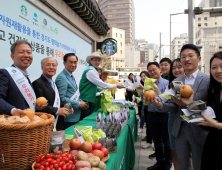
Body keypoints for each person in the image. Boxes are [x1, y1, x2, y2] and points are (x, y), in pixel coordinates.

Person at [147, 44, 209, 170]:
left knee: (200, 164)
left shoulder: (208, 80)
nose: (187, 59)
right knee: (182, 165)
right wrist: (158, 103)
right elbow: (173, 107)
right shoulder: (176, 82)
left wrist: (189, 104)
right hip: (180, 129)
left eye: (190, 56)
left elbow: (210, 107)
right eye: (183, 57)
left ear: (199, 58)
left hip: (200, 129)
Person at [182, 52, 222, 170]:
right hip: (213, 145)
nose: (218, 70)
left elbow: (214, 123)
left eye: (221, 66)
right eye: (214, 67)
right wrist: (190, 104)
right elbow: (208, 115)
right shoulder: (214, 92)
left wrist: (217, 125)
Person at [0, 40, 46, 116]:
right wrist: (12, 110)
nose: (26, 55)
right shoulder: (5, 73)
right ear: (12, 56)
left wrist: (36, 107)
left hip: (27, 124)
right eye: (21, 52)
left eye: (29, 52)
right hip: (12, 124)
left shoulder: (26, 77)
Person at [79, 52, 124, 119]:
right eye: (95, 60)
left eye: (99, 60)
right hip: (86, 99)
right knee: (85, 119)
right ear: (90, 60)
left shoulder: (92, 70)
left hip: (88, 99)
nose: (97, 62)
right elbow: (102, 85)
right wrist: (116, 85)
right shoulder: (91, 71)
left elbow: (99, 86)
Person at [146, 62, 172, 170]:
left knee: (167, 142)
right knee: (157, 142)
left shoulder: (167, 83)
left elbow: (167, 99)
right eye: (150, 71)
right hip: (151, 115)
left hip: (164, 115)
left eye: (154, 70)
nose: (152, 72)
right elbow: (146, 100)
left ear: (159, 69)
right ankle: (159, 163)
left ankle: (167, 165)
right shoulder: (148, 84)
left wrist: (156, 89)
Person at [32, 57, 71, 130]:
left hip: (57, 123)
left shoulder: (53, 83)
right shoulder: (37, 83)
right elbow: (39, 107)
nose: (51, 67)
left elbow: (56, 101)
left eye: (54, 65)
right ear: (42, 67)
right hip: (45, 124)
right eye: (48, 65)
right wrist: (57, 110)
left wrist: (66, 107)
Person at [56, 53, 88, 129]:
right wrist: (78, 103)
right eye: (70, 62)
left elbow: (73, 94)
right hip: (69, 117)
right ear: (64, 63)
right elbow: (62, 98)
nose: (73, 64)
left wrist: (82, 102)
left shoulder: (71, 76)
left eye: (75, 62)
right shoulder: (62, 77)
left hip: (76, 115)